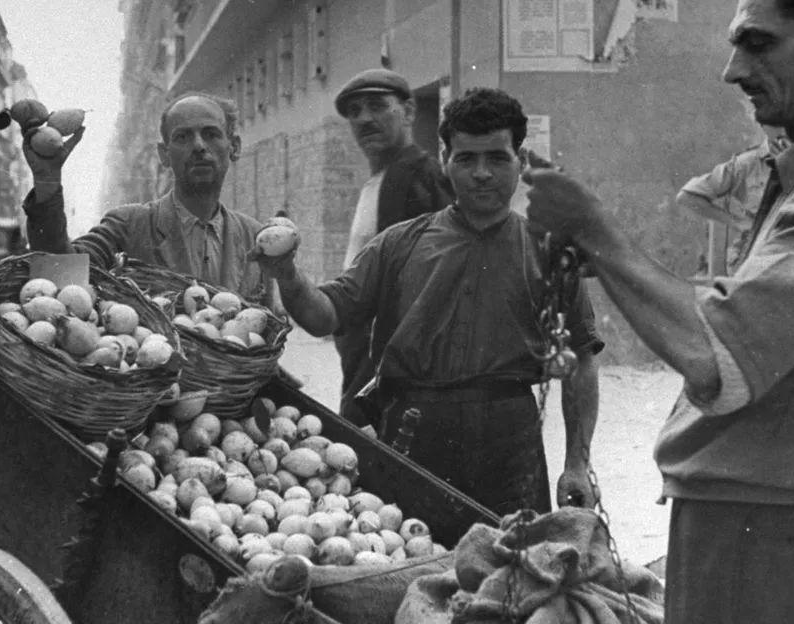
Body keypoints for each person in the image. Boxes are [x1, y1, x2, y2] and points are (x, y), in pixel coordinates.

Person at [524, 0, 794, 621]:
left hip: (767, 543)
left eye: (758, 43)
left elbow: (715, 357)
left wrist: (592, 227)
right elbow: (731, 320)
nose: (731, 70)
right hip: (762, 534)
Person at [252, 87, 604, 516]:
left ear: (521, 161)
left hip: (512, 442)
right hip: (414, 436)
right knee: (412, 560)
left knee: (515, 570)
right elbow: (325, 316)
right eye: (465, 158)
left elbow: (581, 358)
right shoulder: (400, 244)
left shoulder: (547, 252)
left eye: (496, 158)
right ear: (444, 160)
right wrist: (287, 275)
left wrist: (577, 464)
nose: (480, 173)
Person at [22, 92, 275, 306]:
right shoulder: (128, 226)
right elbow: (58, 277)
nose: (199, 146)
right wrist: (47, 181)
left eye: (211, 134)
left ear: (235, 147)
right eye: (182, 137)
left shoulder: (255, 238)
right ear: (164, 155)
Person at [332, 68, 453, 426]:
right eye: (354, 111)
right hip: (364, 359)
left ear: (410, 112)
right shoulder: (380, 181)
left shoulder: (418, 177)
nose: (364, 119)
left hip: (391, 370)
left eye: (377, 106)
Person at [675, 125, 789, 273]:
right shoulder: (747, 163)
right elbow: (687, 197)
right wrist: (737, 222)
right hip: (753, 254)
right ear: (764, 125)